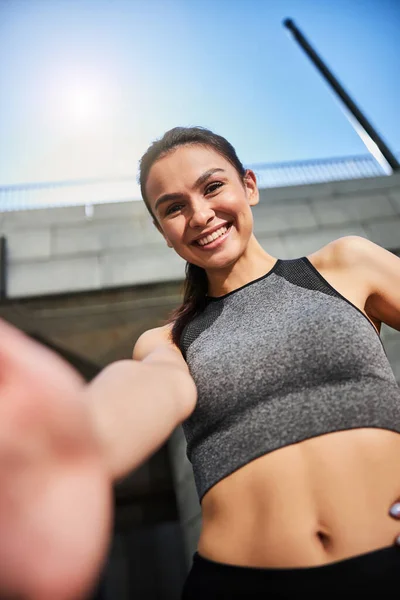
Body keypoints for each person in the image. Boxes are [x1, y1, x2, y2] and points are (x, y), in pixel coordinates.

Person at [0, 125, 399, 599]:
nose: (200, 214)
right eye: (174, 207)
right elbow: (150, 388)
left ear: (248, 185)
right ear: (162, 230)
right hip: (237, 585)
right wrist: (70, 441)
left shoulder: (346, 264)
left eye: (212, 187)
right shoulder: (167, 340)